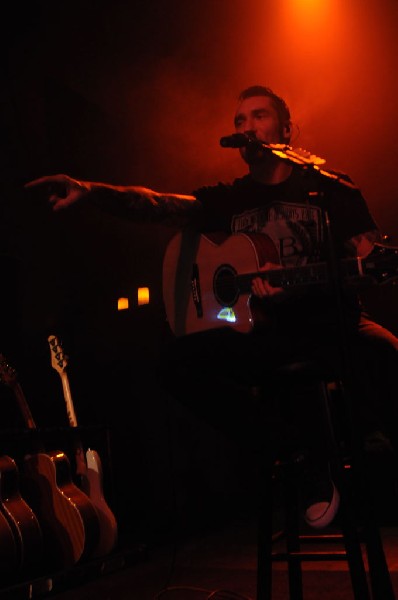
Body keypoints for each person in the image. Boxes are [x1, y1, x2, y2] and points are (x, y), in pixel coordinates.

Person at [25, 85, 398, 529]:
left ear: (286, 128)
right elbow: (156, 204)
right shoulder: (230, 200)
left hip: (328, 324)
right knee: (174, 362)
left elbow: (368, 261)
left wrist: (304, 286)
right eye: (239, 120)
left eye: (258, 116)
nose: (246, 127)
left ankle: (375, 469)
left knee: (386, 351)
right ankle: (292, 452)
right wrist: (90, 190)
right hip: (265, 335)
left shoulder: (330, 188)